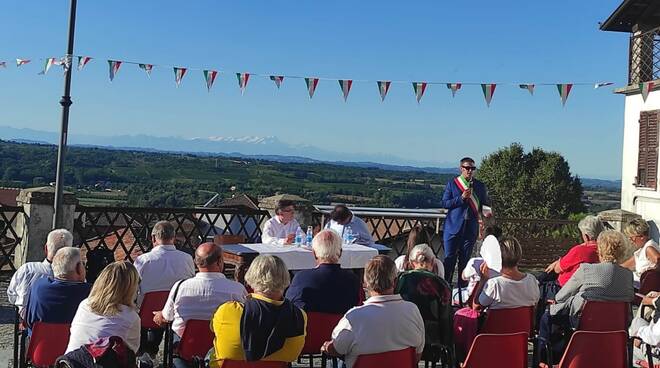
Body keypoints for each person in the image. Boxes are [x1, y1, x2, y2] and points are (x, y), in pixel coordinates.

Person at [538, 230, 634, 364]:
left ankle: (545, 360)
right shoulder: (628, 275)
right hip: (615, 327)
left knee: (547, 316)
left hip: (584, 322)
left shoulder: (586, 269)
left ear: (599, 249)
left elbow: (561, 296)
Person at [321, 255, 425, 368]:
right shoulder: (412, 310)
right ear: (395, 282)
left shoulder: (354, 317)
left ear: (366, 283)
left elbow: (337, 348)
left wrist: (327, 347)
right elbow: (417, 354)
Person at [209, 255, 306, 366]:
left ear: (251, 277)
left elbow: (212, 328)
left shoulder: (228, 311)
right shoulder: (298, 317)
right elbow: (293, 355)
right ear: (286, 277)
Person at [153, 242, 247, 338]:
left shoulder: (180, 286)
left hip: (186, 344)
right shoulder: (237, 289)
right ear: (219, 262)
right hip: (222, 343)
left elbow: (167, 316)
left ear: (196, 262)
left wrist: (160, 315)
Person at [134, 221, 195, 357]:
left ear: (153, 238)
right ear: (173, 238)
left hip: (148, 316)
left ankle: (146, 354)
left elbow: (133, 287)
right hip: (177, 314)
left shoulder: (142, 260)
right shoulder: (187, 259)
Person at [66, 261, 141, 354]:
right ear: (131, 288)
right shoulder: (130, 317)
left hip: (70, 361)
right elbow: (132, 351)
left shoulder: (84, 304)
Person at [395, 245, 453, 364]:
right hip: (432, 344)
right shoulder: (442, 285)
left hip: (402, 340)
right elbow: (446, 320)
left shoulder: (400, 280)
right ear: (433, 262)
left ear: (411, 262)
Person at [441, 157, 491, 287]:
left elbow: (485, 205)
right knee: (449, 261)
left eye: (472, 168)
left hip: (470, 228)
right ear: (461, 169)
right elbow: (445, 203)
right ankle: (446, 290)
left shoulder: (480, 186)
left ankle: (461, 294)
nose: (470, 171)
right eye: (467, 168)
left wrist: (488, 214)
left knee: (465, 262)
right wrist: (461, 198)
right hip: (452, 227)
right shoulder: (452, 184)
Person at [285, 230, 361, 313]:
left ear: (314, 253)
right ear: (340, 253)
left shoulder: (302, 278)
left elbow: (289, 304)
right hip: (344, 324)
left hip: (310, 325)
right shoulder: (353, 280)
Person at [8, 229, 73, 318]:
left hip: (31, 325)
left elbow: (12, 295)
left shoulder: (28, 269)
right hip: (66, 328)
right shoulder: (77, 277)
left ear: (46, 248)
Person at [25, 247, 91, 330]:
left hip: (40, 340)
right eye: (83, 264)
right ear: (78, 268)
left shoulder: (38, 285)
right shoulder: (90, 292)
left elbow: (29, 320)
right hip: (76, 341)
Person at [473, 236, 539, 310]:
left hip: (497, 321)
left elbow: (476, 307)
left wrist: (483, 280)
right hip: (523, 321)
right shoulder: (532, 280)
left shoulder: (495, 284)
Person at [621, 218, 660, 283]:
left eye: (632, 238)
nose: (631, 241)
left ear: (642, 236)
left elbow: (659, 261)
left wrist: (649, 272)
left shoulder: (649, 249)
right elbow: (624, 266)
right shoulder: (642, 250)